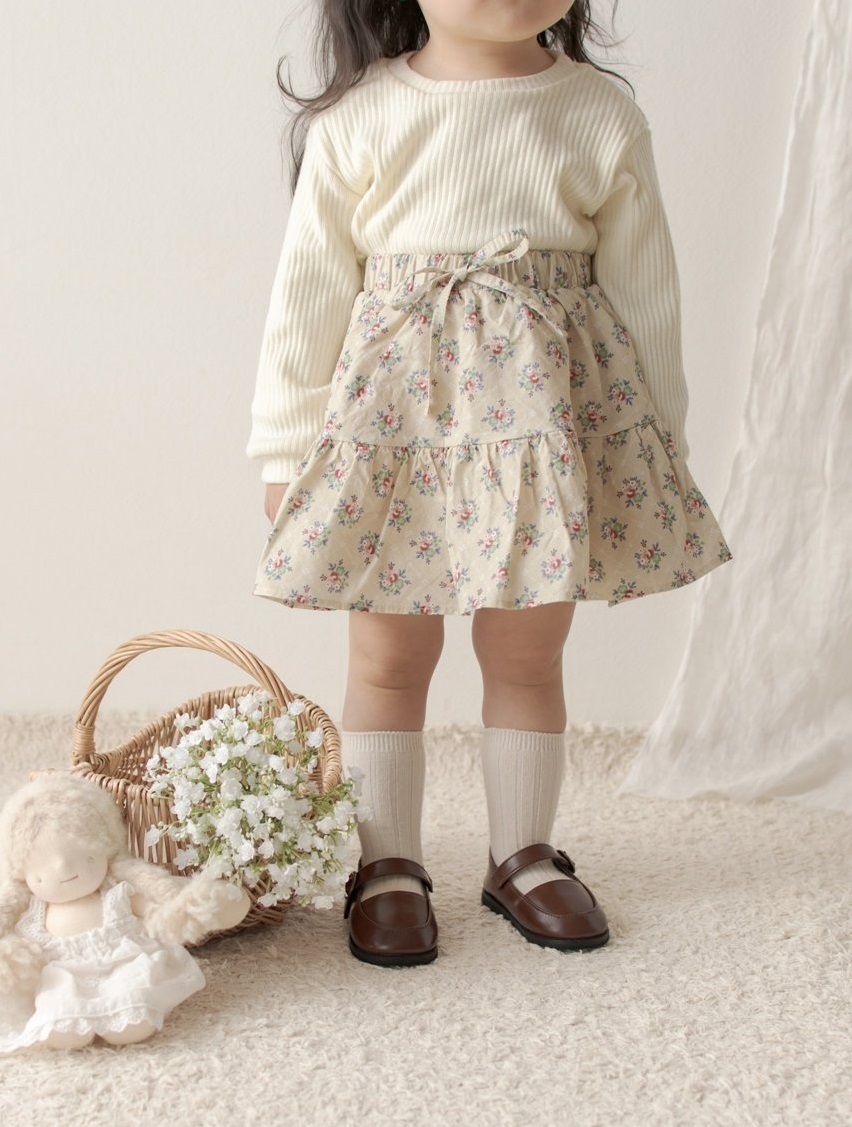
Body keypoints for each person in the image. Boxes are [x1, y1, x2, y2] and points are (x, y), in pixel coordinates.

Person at [246, 0, 732, 968]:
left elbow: (647, 293)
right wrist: (286, 451)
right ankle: (386, 863)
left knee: (529, 646)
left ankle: (523, 853)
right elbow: (307, 296)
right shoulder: (362, 118)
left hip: (543, 434)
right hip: (398, 434)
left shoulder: (598, 115)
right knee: (388, 651)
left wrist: (655, 440)